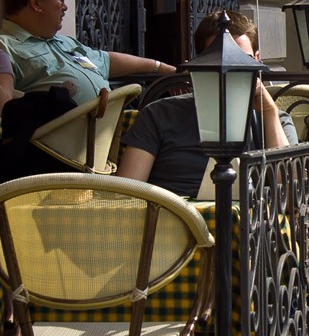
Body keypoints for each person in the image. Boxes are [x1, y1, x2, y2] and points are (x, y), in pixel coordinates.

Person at [117, 10, 294, 197]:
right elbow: (125, 197)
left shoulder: (276, 120)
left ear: (257, 60)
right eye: (220, 60)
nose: (231, 71)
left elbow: (291, 197)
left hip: (245, 223)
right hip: (169, 220)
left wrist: (269, 112)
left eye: (243, 60)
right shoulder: (159, 114)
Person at [0, 0, 178, 104]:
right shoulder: (2, 47)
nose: (65, 7)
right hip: (64, 142)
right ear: (36, 3)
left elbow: (107, 61)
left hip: (109, 128)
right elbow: (2, 104)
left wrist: (162, 68)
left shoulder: (63, 42)